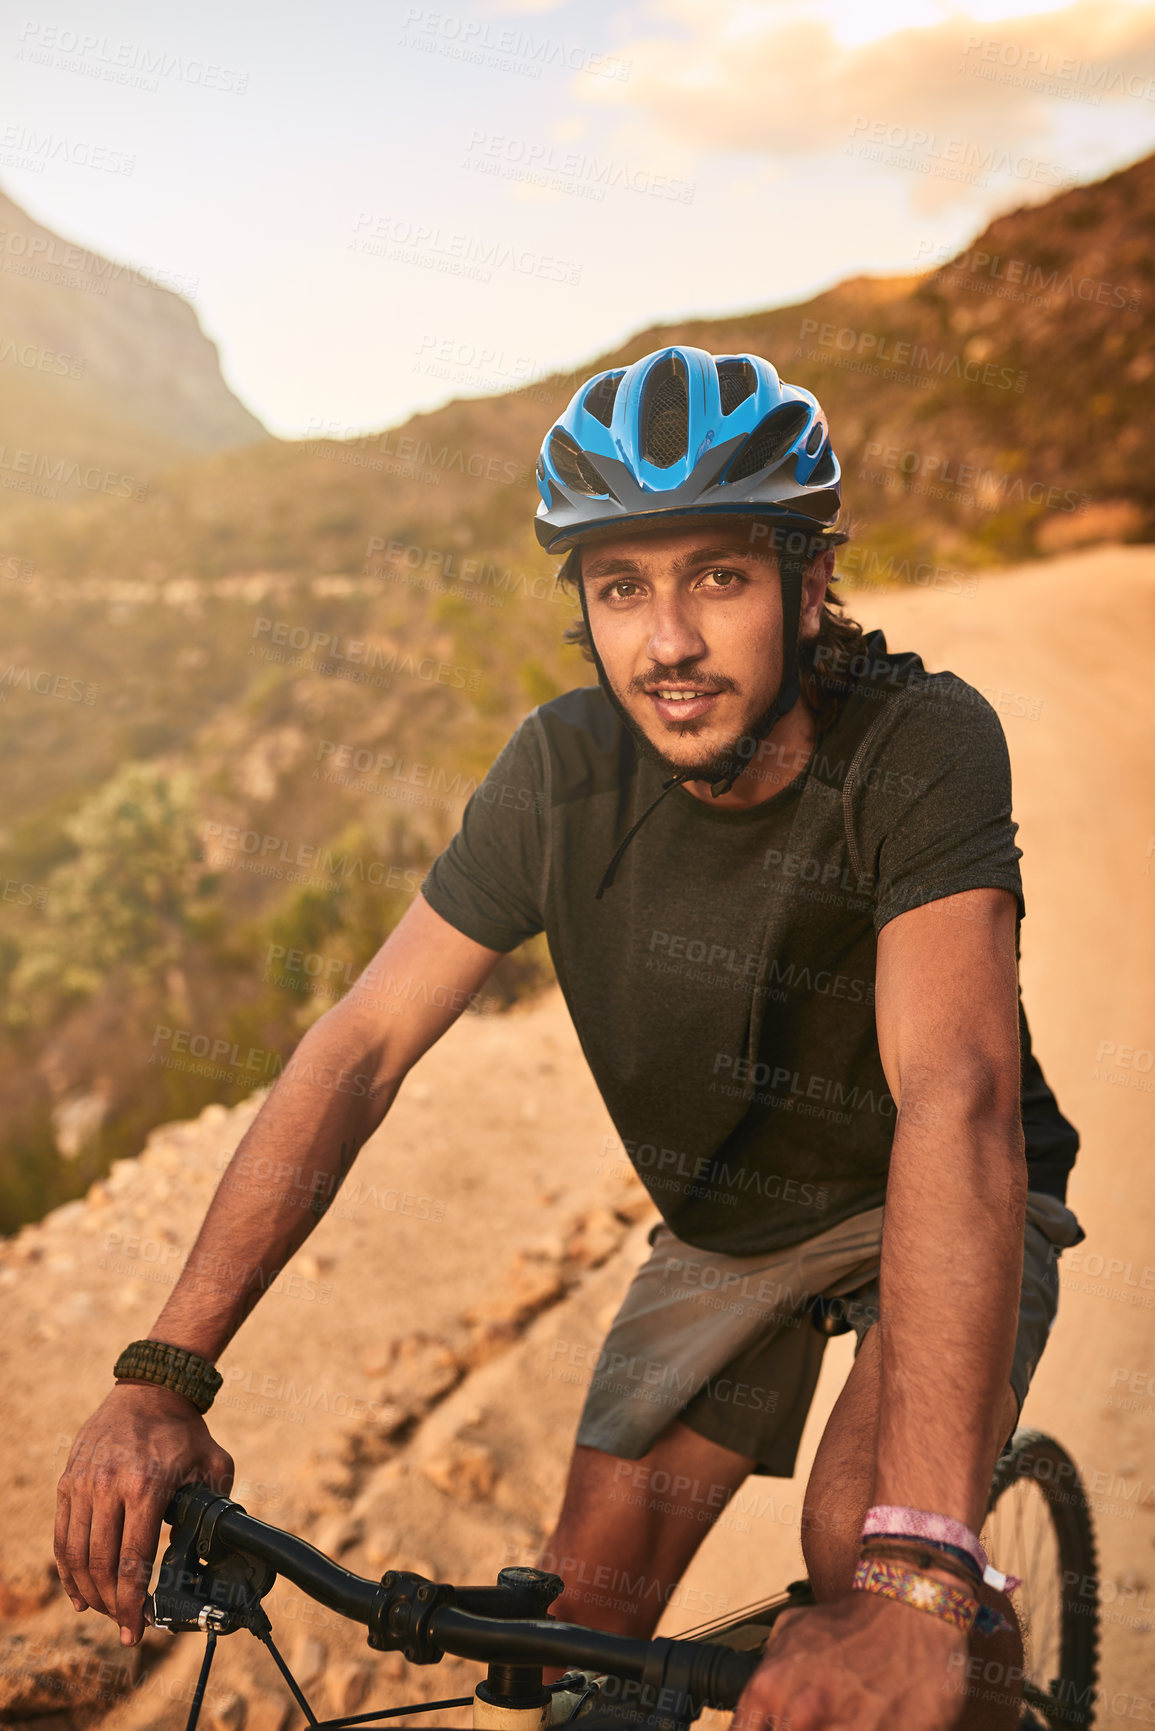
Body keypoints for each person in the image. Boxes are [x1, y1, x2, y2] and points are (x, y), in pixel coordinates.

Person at [55, 346, 1083, 1730]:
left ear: (811, 580)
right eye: (621, 588)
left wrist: (919, 1584)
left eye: (718, 575)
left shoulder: (922, 743)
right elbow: (358, 1050)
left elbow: (956, 1098)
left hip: (929, 1195)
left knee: (872, 1560)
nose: (666, 643)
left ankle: (986, 1688)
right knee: (572, 1646)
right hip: (724, 1230)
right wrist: (162, 1374)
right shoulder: (559, 773)